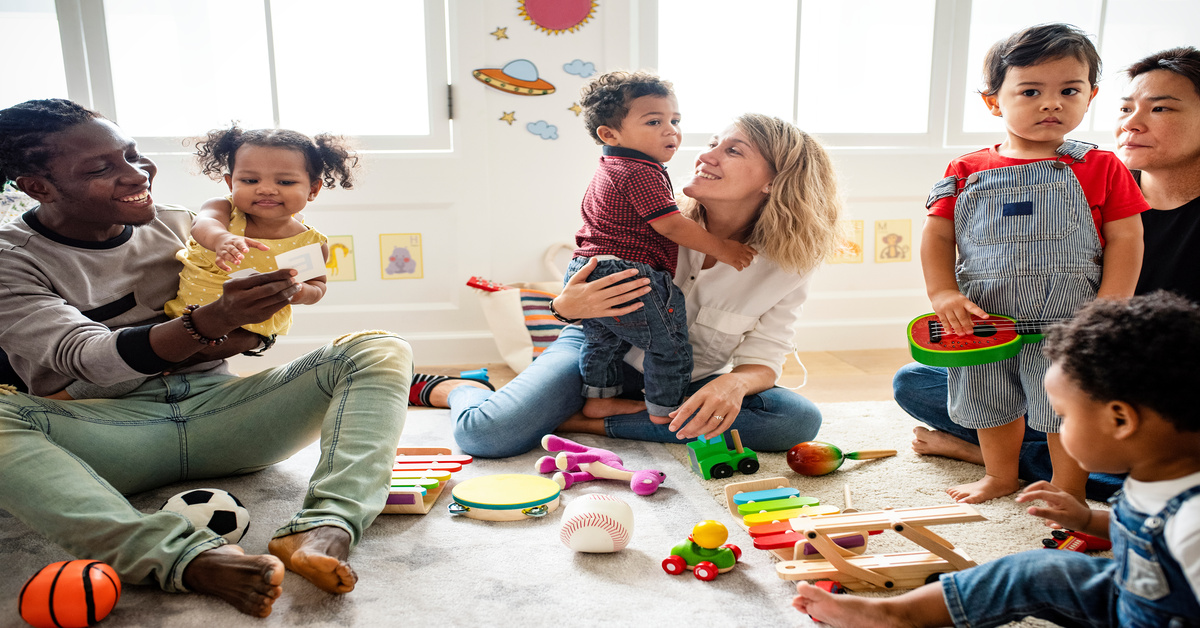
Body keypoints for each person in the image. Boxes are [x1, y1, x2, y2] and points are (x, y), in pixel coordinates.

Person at [0, 99, 411, 617]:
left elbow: (256, 330)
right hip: (107, 431)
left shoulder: (179, 224)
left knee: (378, 348)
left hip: (222, 411)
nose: (135, 174)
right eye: (103, 168)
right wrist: (209, 324)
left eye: (132, 154)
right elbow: (90, 358)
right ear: (38, 186)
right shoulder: (11, 260)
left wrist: (267, 312)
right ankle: (181, 559)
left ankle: (325, 527)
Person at [419, 112, 841, 457]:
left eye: (731, 150)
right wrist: (565, 307)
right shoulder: (650, 216)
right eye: (712, 142)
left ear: (773, 181)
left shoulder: (787, 265)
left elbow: (765, 356)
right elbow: (573, 296)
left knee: (795, 420)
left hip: (686, 380)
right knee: (485, 436)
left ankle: (587, 421)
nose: (706, 156)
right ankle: (461, 388)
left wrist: (733, 383)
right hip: (596, 352)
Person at [895, 45, 1200, 503]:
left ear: (1086, 96)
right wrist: (943, 292)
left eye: (1159, 108)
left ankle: (1052, 477)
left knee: (1071, 414)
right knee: (934, 386)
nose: (1051, 103)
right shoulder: (967, 170)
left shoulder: (1099, 169)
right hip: (994, 329)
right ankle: (1003, 468)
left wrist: (1107, 310)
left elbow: (1126, 243)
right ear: (995, 101)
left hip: (1096, 348)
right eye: (1126, 107)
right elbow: (937, 235)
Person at [793, 293, 1200, 628]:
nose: (1055, 426)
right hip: (1131, 591)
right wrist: (1087, 520)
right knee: (1037, 570)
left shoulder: (1193, 521)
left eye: (1063, 416)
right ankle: (899, 614)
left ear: (1120, 419)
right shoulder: (1156, 472)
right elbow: (1145, 530)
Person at [567, 70, 756, 425]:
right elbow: (669, 224)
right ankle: (665, 411)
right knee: (669, 345)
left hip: (589, 265)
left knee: (603, 342)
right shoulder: (641, 170)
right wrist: (725, 249)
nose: (671, 130)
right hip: (626, 270)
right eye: (654, 121)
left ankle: (599, 400)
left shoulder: (611, 165)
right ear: (609, 134)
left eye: (675, 120)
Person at [165, 124, 354, 338]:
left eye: (285, 182)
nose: (265, 189)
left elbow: (317, 286)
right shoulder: (224, 209)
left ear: (313, 189)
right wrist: (222, 238)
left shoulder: (309, 243)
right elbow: (203, 225)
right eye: (250, 180)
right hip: (189, 317)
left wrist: (297, 290)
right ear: (230, 183)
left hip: (251, 329)